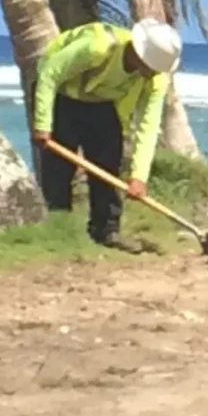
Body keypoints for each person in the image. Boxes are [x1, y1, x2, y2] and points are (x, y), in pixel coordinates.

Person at [31, 18, 184, 249]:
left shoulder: (155, 80)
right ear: (139, 55)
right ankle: (59, 230)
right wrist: (43, 124)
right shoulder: (97, 47)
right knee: (59, 170)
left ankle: (106, 231)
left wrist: (138, 177)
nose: (154, 74)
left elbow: (148, 125)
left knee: (107, 166)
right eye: (152, 67)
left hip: (102, 104)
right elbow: (50, 74)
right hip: (61, 96)